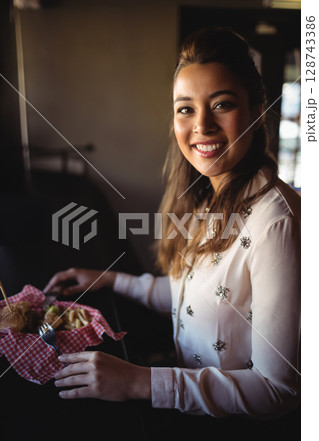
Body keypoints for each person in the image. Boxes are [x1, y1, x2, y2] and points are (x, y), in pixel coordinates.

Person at [44, 27, 300, 419]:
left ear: (257, 110)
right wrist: (109, 279)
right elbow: (192, 298)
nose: (202, 125)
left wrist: (138, 381)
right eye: (185, 108)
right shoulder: (210, 196)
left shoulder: (277, 223)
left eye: (222, 104)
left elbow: (277, 389)